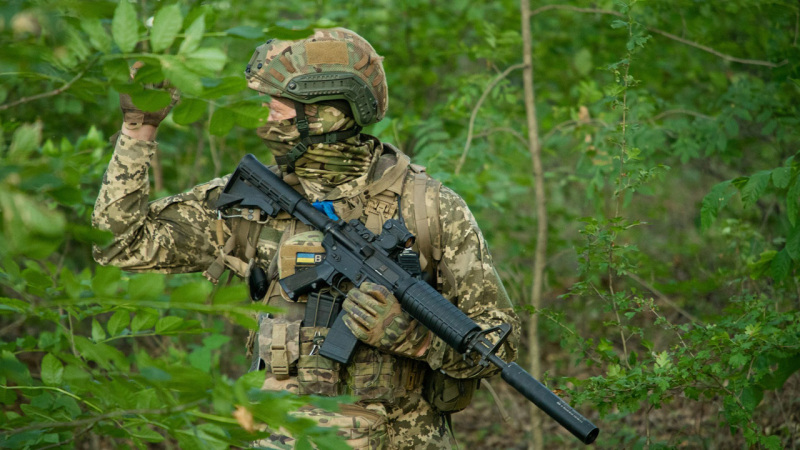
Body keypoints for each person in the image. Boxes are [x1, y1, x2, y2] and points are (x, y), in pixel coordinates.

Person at [92, 28, 519, 450]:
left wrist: (417, 338)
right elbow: (120, 245)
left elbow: (502, 343)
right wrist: (138, 130)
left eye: (277, 105)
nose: (266, 116)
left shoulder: (430, 207)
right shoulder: (252, 201)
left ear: (325, 113)